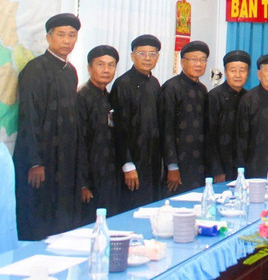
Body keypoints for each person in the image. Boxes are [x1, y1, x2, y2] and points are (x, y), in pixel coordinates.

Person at [13, 13, 83, 240]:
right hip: (40, 162)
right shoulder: (35, 70)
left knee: (61, 222)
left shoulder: (70, 71)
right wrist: (35, 161)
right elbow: (29, 118)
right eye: (61, 35)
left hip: (63, 161)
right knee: (38, 219)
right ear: (49, 37)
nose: (67, 41)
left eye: (72, 35)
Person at [111, 34, 163, 210]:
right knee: (133, 208)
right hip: (132, 162)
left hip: (152, 160)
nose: (147, 58)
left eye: (152, 54)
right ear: (132, 56)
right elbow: (118, 129)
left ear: (157, 57)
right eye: (142, 53)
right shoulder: (122, 84)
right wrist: (128, 164)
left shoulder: (154, 83)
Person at [159, 41, 209, 194]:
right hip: (177, 164)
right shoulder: (171, 88)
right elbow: (166, 129)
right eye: (194, 59)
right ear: (182, 62)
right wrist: (172, 166)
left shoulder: (202, 90)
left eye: (203, 60)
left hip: (199, 163)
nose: (198, 64)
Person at [77, 45, 120, 223]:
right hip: (89, 179)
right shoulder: (81, 97)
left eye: (111, 65)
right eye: (100, 64)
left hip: (108, 176)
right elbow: (78, 143)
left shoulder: (109, 97)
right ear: (89, 68)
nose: (106, 70)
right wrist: (82, 183)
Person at [207, 50, 250, 183]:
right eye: (233, 70)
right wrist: (217, 170)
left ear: (248, 73)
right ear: (225, 72)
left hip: (244, 168)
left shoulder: (249, 98)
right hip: (221, 168)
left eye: (242, 70)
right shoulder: (214, 97)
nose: (238, 75)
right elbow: (209, 136)